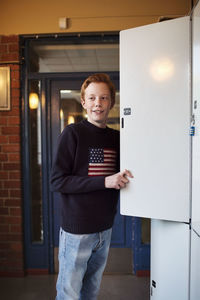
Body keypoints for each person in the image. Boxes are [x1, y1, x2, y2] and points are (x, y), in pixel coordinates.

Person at [51, 73, 133, 300]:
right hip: (77, 230)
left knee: (91, 290)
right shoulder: (73, 134)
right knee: (69, 292)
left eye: (104, 98)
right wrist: (105, 181)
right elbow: (57, 181)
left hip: (104, 228)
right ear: (84, 102)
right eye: (93, 98)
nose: (98, 103)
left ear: (111, 103)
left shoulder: (119, 138)